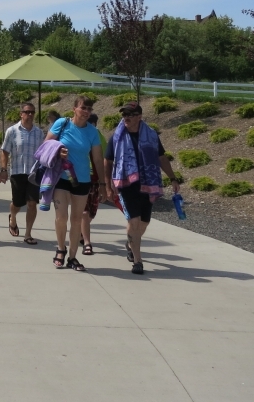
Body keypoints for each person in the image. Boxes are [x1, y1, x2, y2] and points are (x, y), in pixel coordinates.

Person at [105, 101, 180, 275]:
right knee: (134, 221)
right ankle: (138, 261)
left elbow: (161, 158)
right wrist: (108, 184)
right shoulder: (117, 137)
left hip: (148, 182)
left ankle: (131, 242)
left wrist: (173, 178)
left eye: (130, 115)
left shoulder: (151, 136)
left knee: (144, 222)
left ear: (139, 117)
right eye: (124, 115)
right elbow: (107, 161)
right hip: (126, 183)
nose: (126, 118)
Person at [43, 96, 107, 271]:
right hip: (61, 177)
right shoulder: (62, 124)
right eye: (83, 108)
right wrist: (58, 151)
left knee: (77, 219)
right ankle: (60, 249)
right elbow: (46, 145)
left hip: (83, 180)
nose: (86, 112)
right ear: (74, 109)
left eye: (89, 109)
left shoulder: (92, 132)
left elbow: (97, 158)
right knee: (61, 217)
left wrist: (102, 184)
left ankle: (72, 257)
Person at [1, 102, 44, 244]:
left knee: (32, 203)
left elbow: (43, 152)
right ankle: (12, 218)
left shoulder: (39, 133)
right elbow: (5, 151)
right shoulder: (12, 131)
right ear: (21, 114)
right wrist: (3, 169)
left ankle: (28, 234)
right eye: (27, 112)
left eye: (32, 112)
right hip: (17, 172)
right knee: (17, 203)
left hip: (33, 173)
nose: (30, 115)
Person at [80, 112, 108, 255]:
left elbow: (105, 157)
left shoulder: (97, 135)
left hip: (96, 179)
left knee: (91, 212)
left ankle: (81, 231)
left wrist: (105, 182)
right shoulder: (78, 134)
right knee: (84, 212)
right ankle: (87, 242)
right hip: (83, 177)